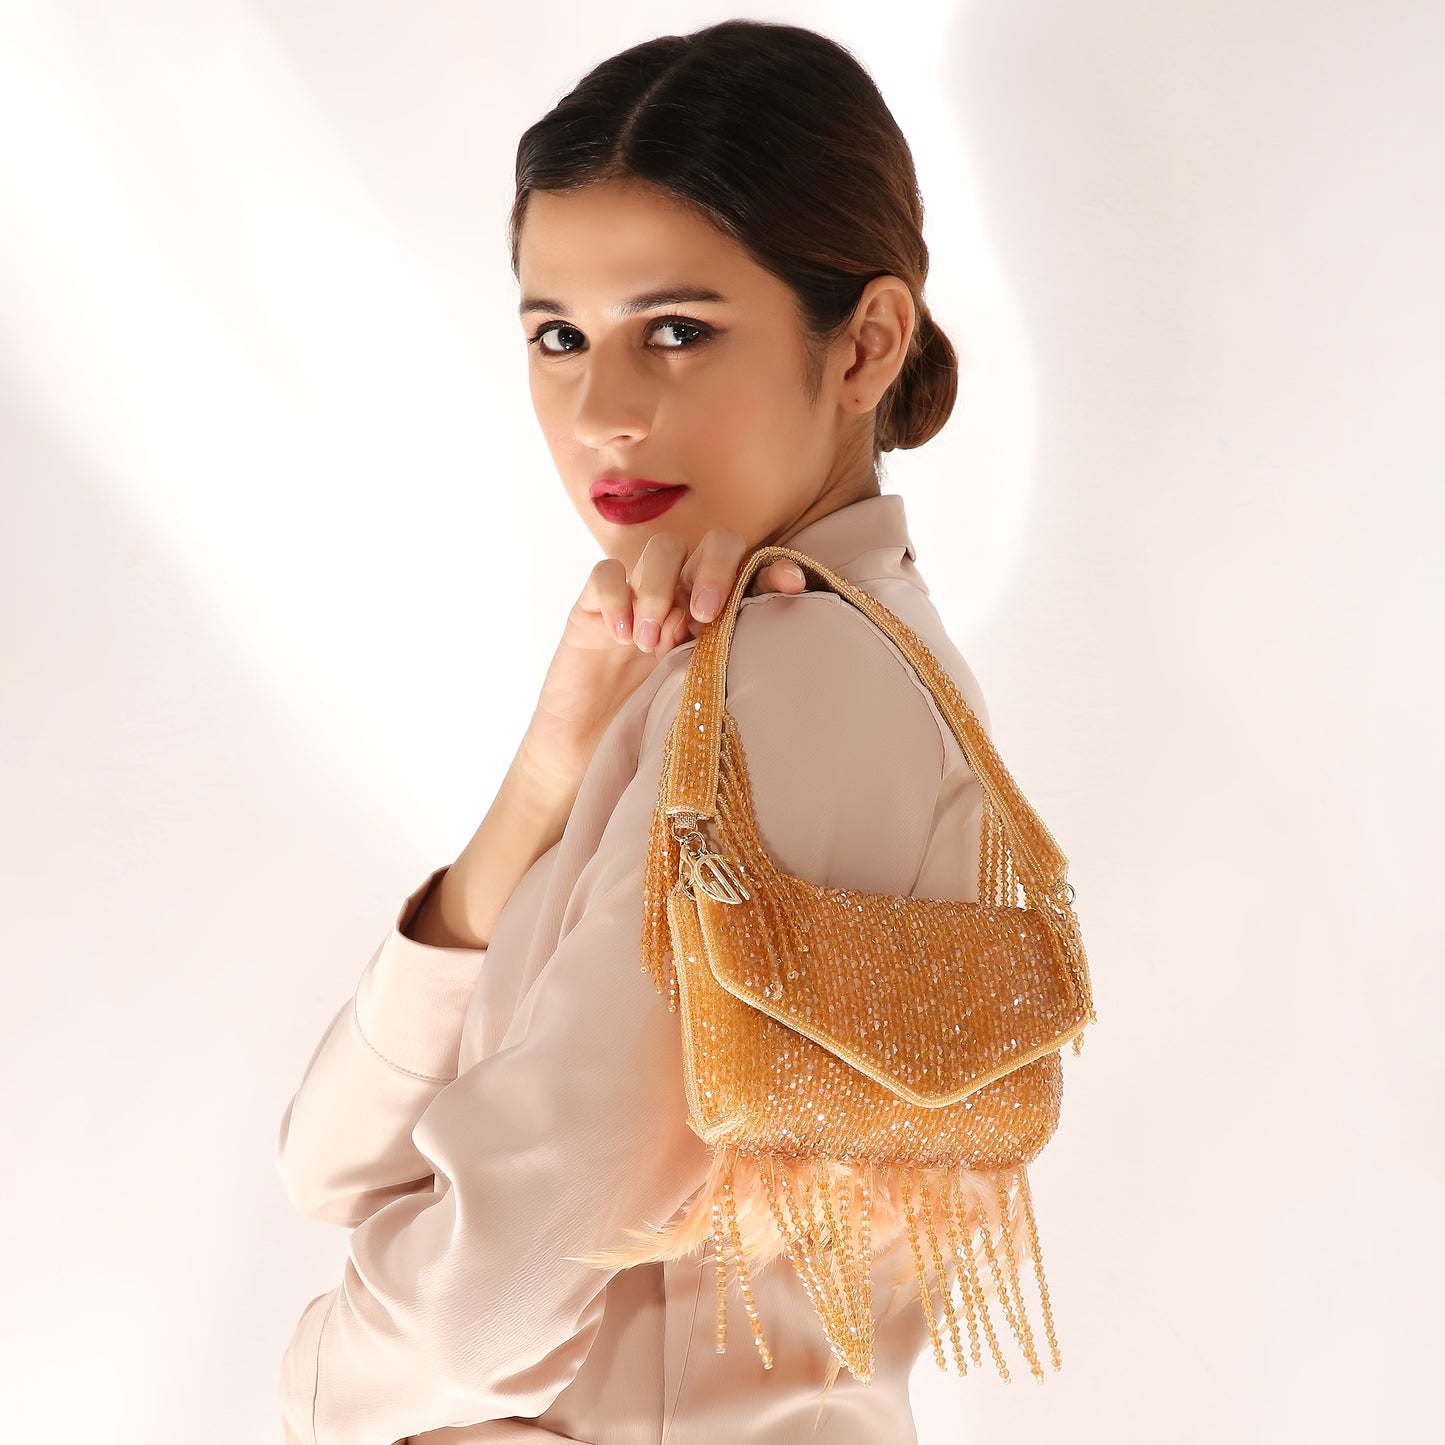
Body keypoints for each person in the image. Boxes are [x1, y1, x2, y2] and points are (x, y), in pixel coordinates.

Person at [278, 19, 996, 1444]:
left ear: (864, 342)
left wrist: (311, 1384)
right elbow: (332, 1161)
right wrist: (541, 787)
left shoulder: (799, 678)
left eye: (676, 330)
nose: (601, 412)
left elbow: (484, 1302)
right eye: (558, 336)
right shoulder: (742, 668)